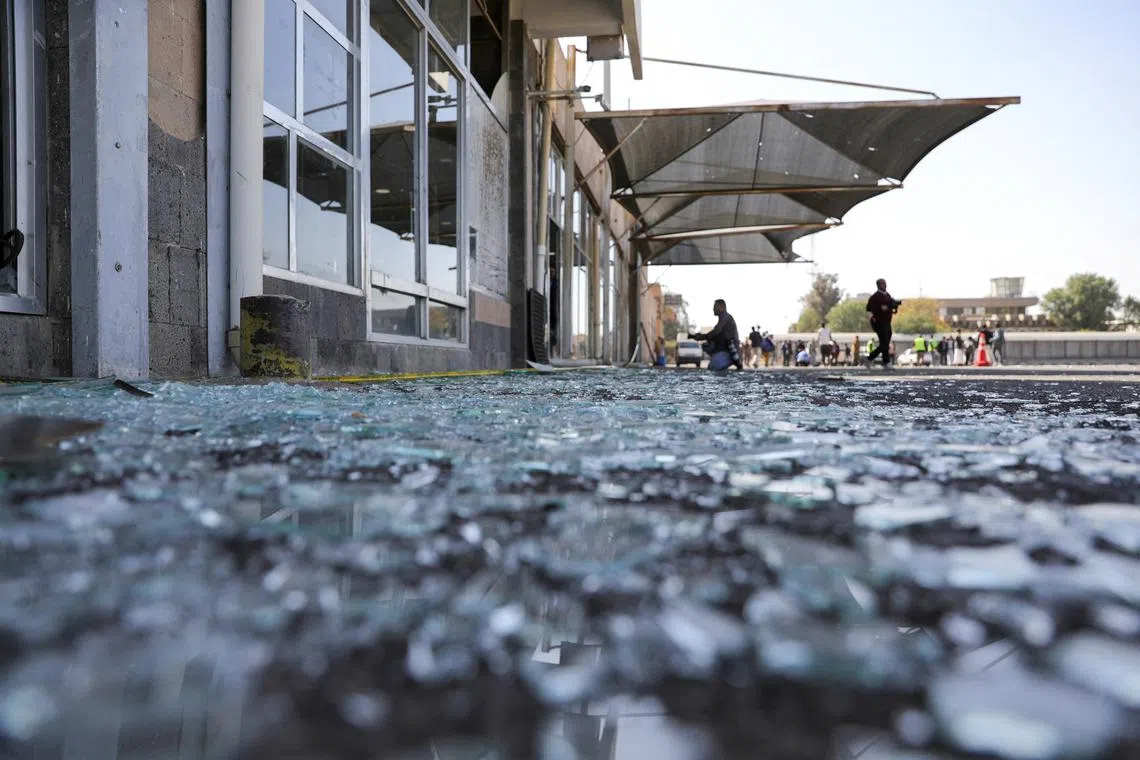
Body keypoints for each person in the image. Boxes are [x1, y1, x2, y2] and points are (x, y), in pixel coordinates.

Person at [690, 299, 743, 371]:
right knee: (705, 345)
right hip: (723, 351)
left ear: (722, 307)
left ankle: (731, 361)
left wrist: (702, 337)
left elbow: (715, 332)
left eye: (715, 307)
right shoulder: (723, 319)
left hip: (729, 352)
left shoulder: (726, 317)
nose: (713, 309)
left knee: (713, 367)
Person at [865, 279, 902, 368]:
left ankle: (870, 358)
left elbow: (891, 304)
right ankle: (886, 362)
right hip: (878, 322)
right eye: (882, 284)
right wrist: (880, 308)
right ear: (878, 285)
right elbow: (869, 308)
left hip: (887, 322)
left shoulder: (887, 295)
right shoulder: (875, 296)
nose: (884, 286)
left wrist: (895, 305)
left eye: (885, 284)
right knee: (884, 342)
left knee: (885, 343)